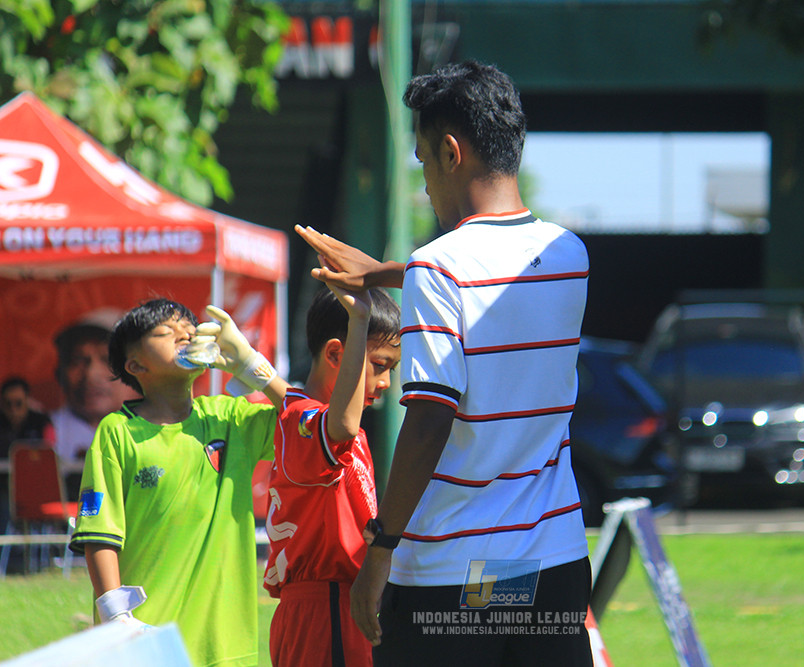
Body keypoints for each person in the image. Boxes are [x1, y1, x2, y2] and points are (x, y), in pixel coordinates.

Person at [299, 60, 594, 666]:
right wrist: (384, 272)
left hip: (453, 578)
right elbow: (496, 271)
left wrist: (381, 548)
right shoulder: (569, 254)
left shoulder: (439, 267)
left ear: (451, 153)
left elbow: (432, 417)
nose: (426, 183)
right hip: (551, 568)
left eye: (423, 161)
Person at [68, 297, 288, 667]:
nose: (184, 334)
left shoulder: (229, 418)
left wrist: (252, 366)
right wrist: (116, 617)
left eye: (189, 328)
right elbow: (99, 535)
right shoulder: (117, 433)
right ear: (135, 365)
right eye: (165, 332)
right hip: (146, 642)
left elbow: (316, 427)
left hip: (227, 647)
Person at [264, 282, 400, 667]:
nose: (387, 382)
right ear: (338, 352)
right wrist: (359, 320)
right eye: (380, 365)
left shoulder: (311, 416)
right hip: (323, 609)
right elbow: (337, 424)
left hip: (340, 605)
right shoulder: (312, 423)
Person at [51, 322, 136, 466]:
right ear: (60, 373)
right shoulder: (43, 432)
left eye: (107, 360)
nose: (91, 374)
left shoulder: (154, 431)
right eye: (78, 360)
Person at [0, 376, 56, 536]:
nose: (13, 410)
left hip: (39, 489)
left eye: (18, 403)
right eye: (8, 404)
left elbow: (50, 454)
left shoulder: (41, 422)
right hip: (5, 489)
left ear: (27, 401)